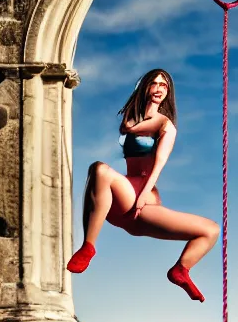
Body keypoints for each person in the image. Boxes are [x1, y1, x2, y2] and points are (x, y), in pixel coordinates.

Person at [66, 69, 220, 303]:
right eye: (154, 84)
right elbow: (127, 126)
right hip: (121, 199)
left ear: (169, 93)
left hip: (143, 197)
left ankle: (181, 269)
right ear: (145, 87)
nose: (159, 88)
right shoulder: (132, 119)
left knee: (211, 230)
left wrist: (144, 194)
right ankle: (88, 246)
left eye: (164, 85)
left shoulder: (166, 125)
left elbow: (159, 165)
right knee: (98, 170)